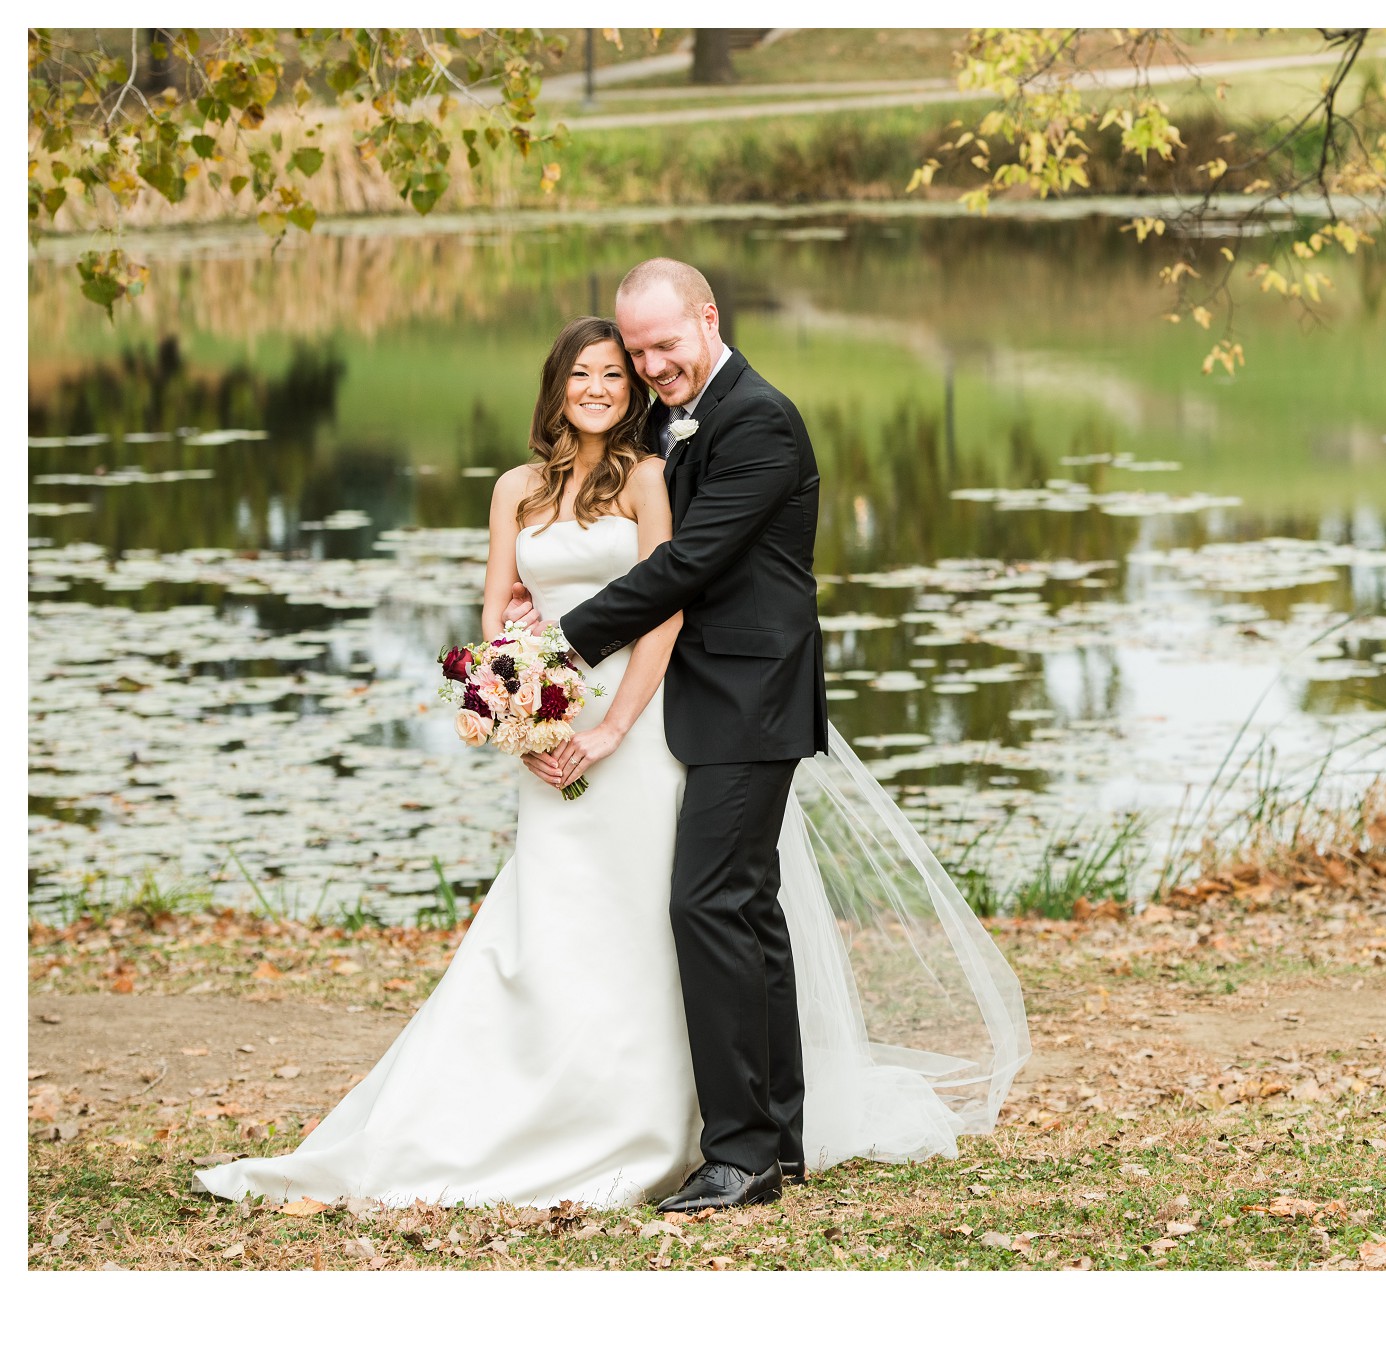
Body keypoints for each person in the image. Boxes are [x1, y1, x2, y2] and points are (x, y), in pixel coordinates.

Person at [197, 291, 1028, 1214]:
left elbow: (680, 573)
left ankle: (741, 1148)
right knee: (727, 911)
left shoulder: (754, 424)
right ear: (557, 389)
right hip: (636, 706)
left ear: (707, 319)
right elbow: (502, 602)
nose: (640, 368)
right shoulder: (637, 441)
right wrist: (516, 694)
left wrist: (561, 659)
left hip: (722, 700)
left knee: (706, 903)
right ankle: (762, 1131)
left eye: (646, 352)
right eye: (623, 357)